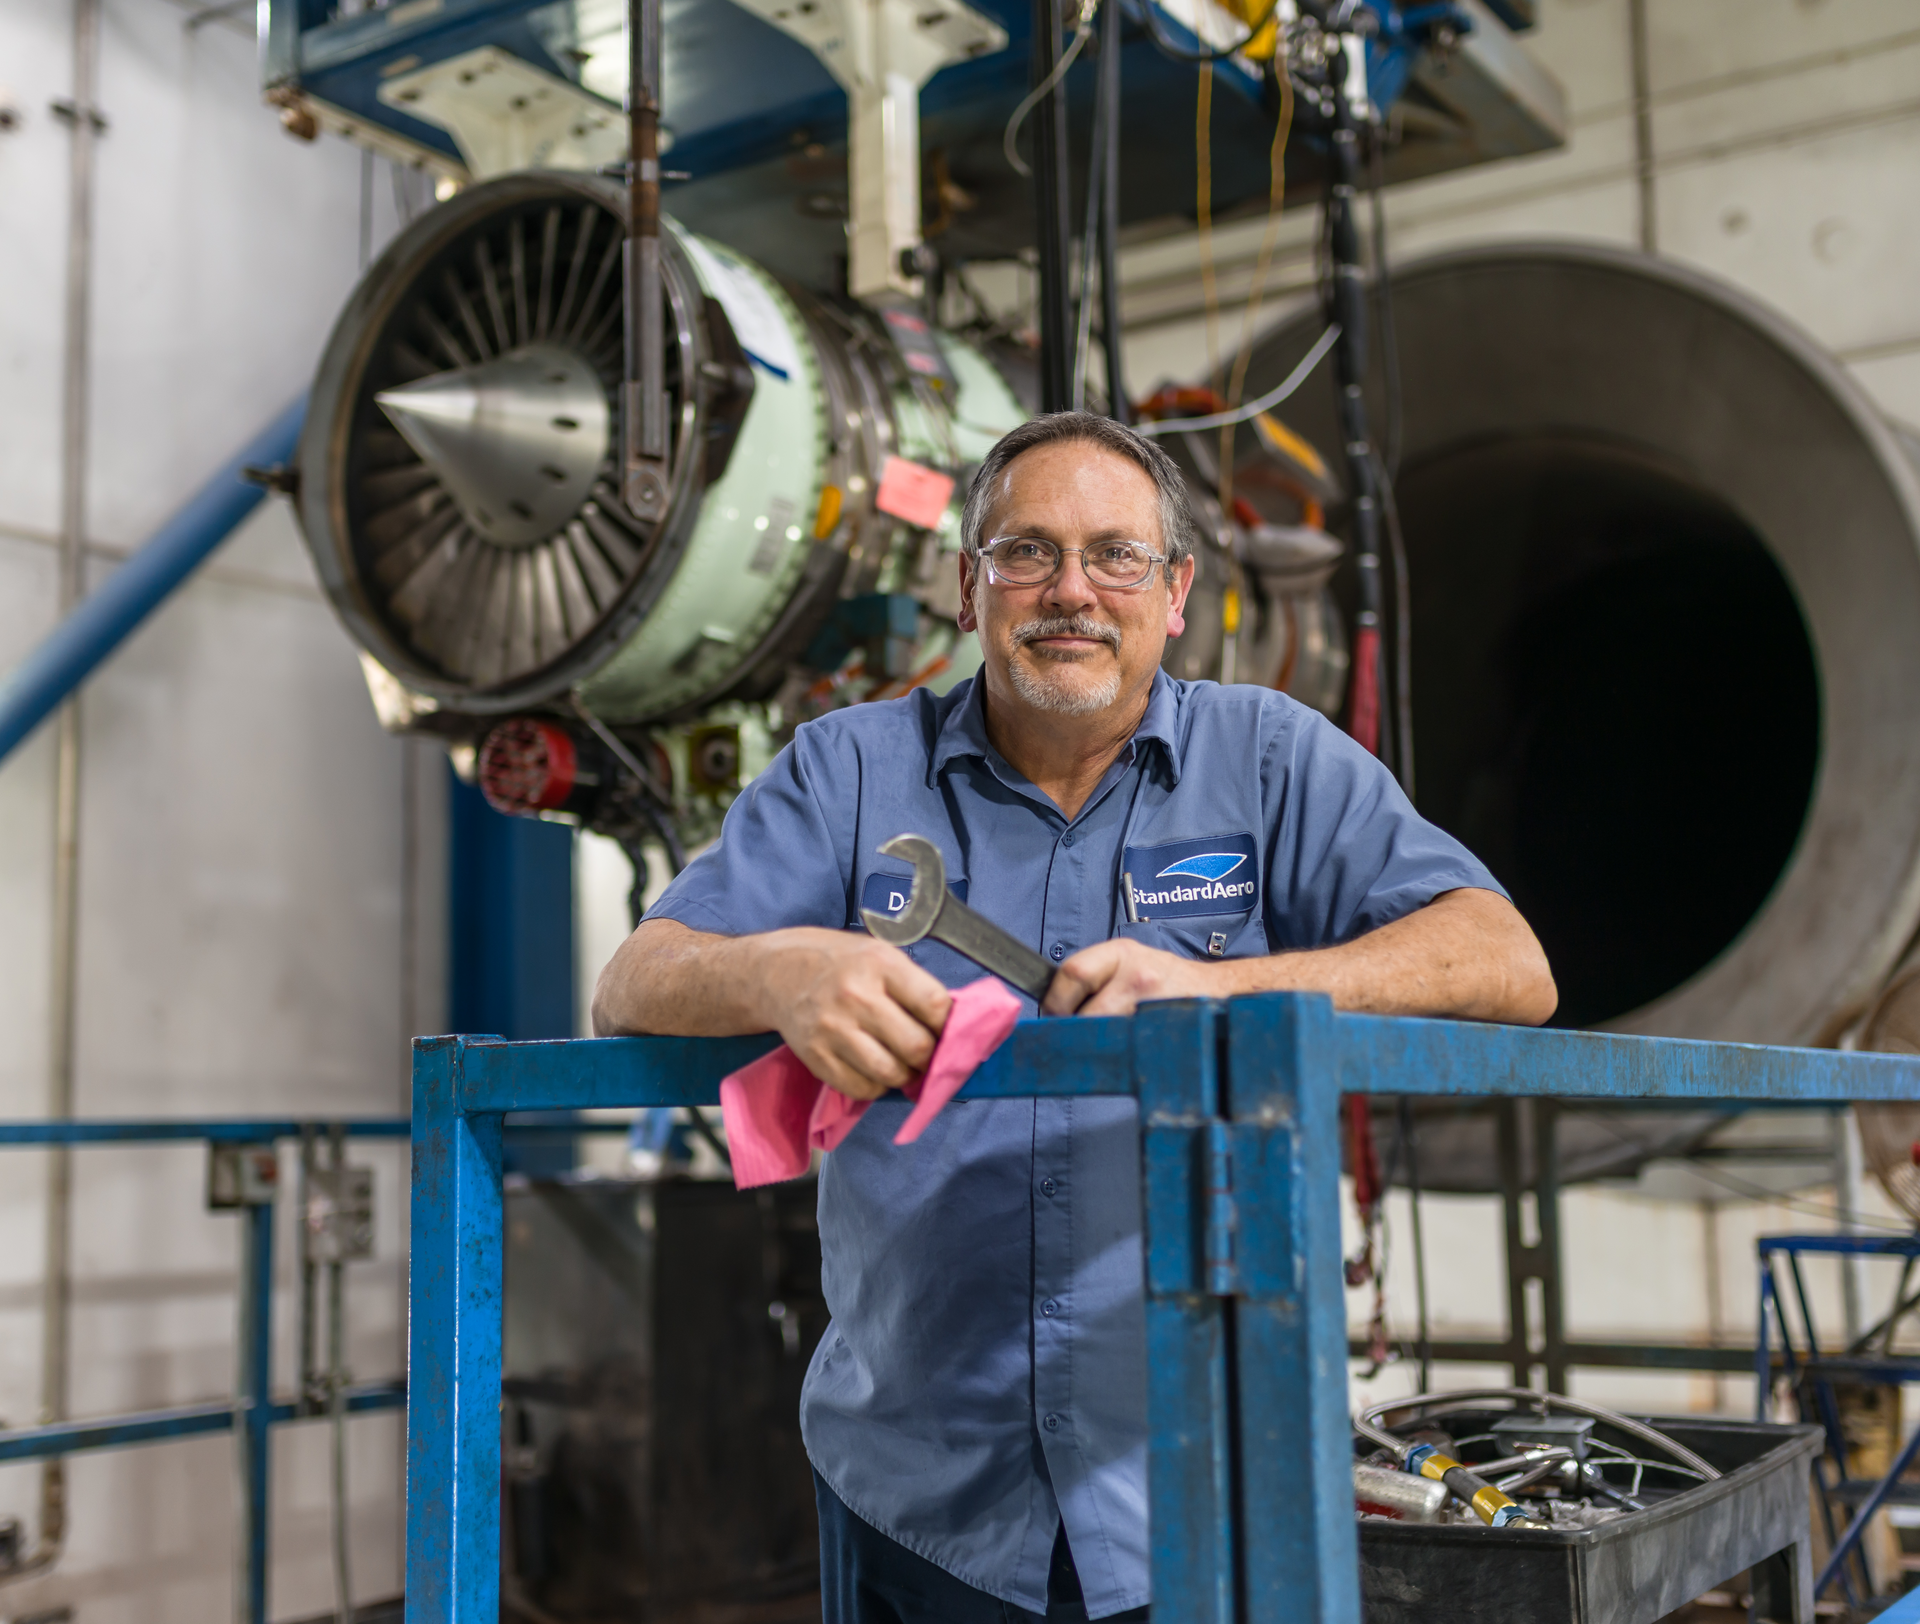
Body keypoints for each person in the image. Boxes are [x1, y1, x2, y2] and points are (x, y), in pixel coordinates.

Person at [592, 411, 1557, 1622]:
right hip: (920, 1483)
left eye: (1115, 555)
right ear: (967, 585)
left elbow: (1507, 959)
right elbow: (635, 975)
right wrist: (783, 966)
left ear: (1177, 592)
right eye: (1026, 553)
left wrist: (1225, 987)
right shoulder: (846, 770)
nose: (1070, 591)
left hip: (1211, 1481)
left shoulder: (1268, 757)